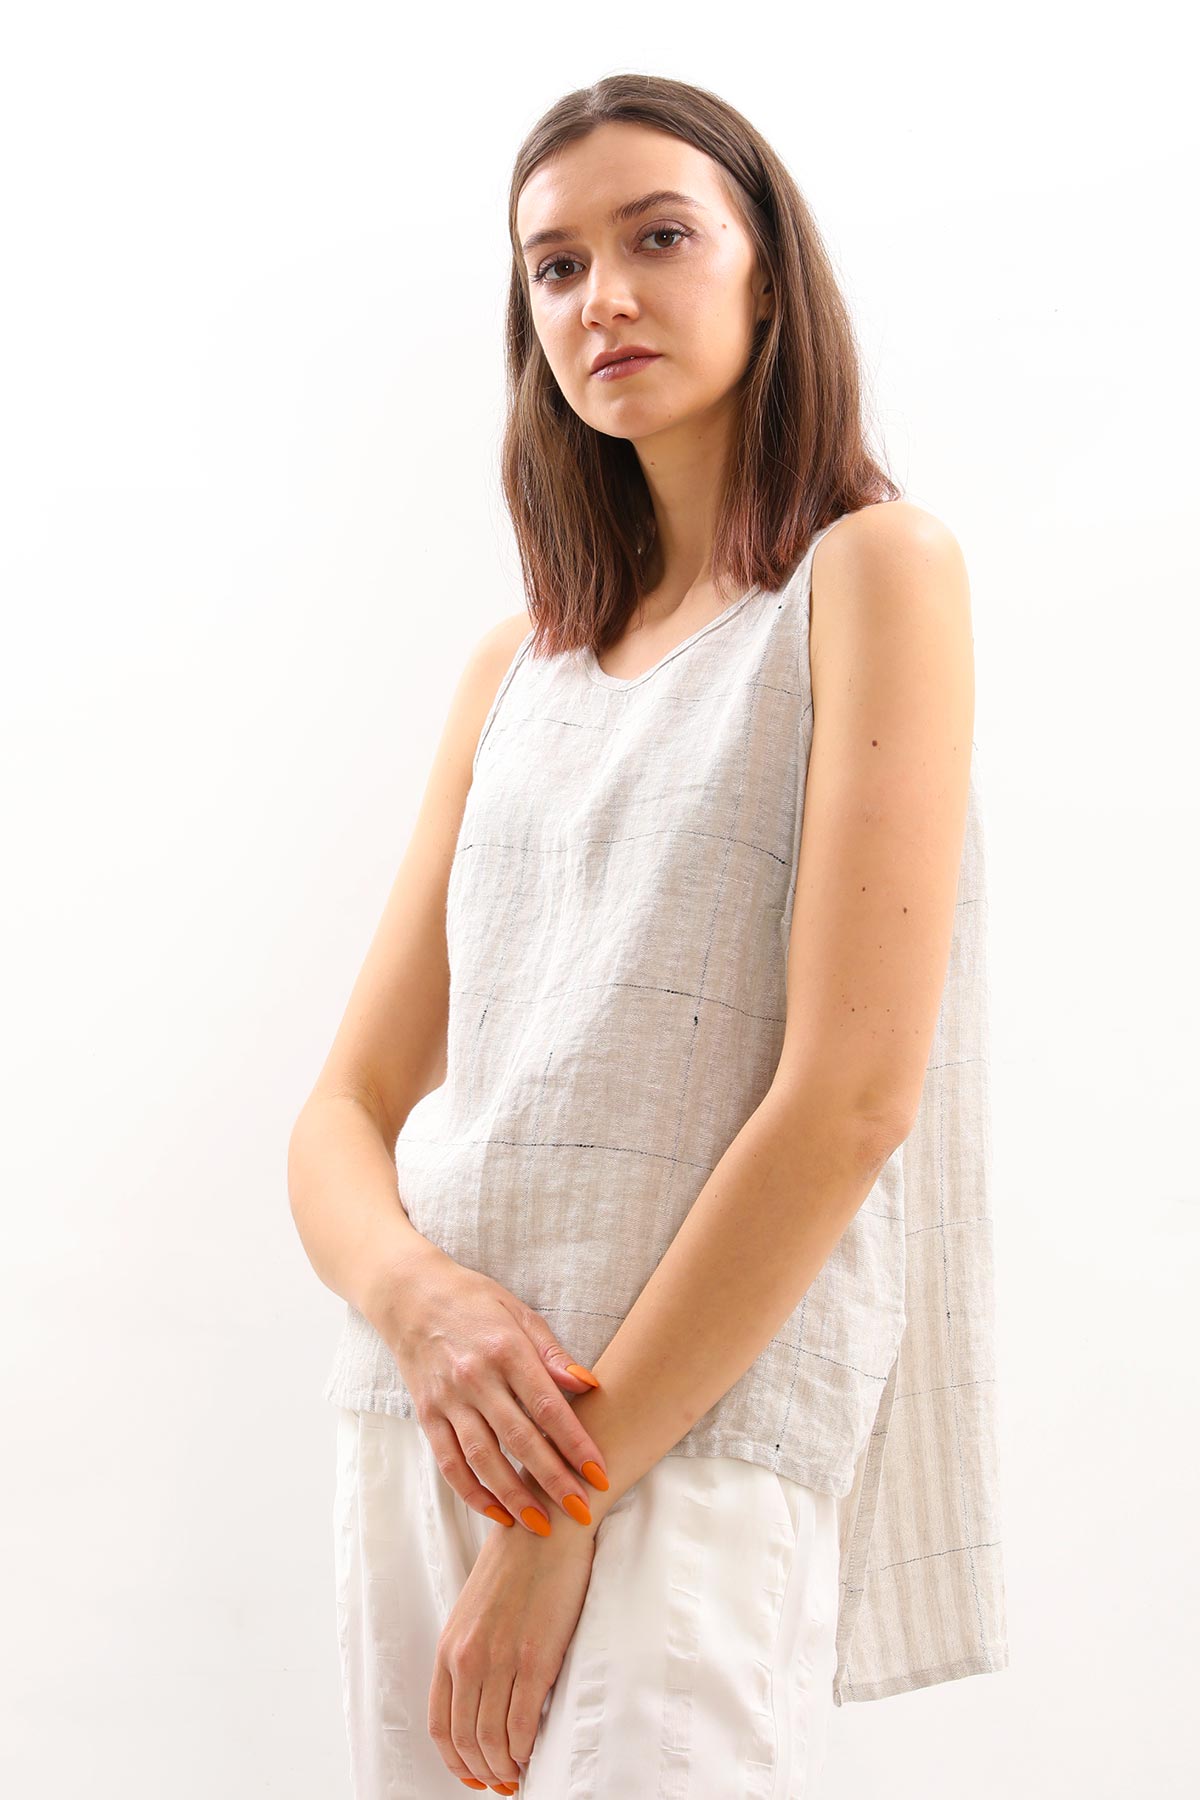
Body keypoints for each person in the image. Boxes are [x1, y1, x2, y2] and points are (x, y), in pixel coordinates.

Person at [288, 72, 1009, 1799]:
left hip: (684, 1427)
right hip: (429, 1418)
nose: (602, 296)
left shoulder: (870, 576)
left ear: (771, 277)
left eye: (660, 238)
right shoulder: (515, 668)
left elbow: (851, 1101)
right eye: (555, 266)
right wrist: (421, 1305)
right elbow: (344, 1110)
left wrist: (564, 1510)